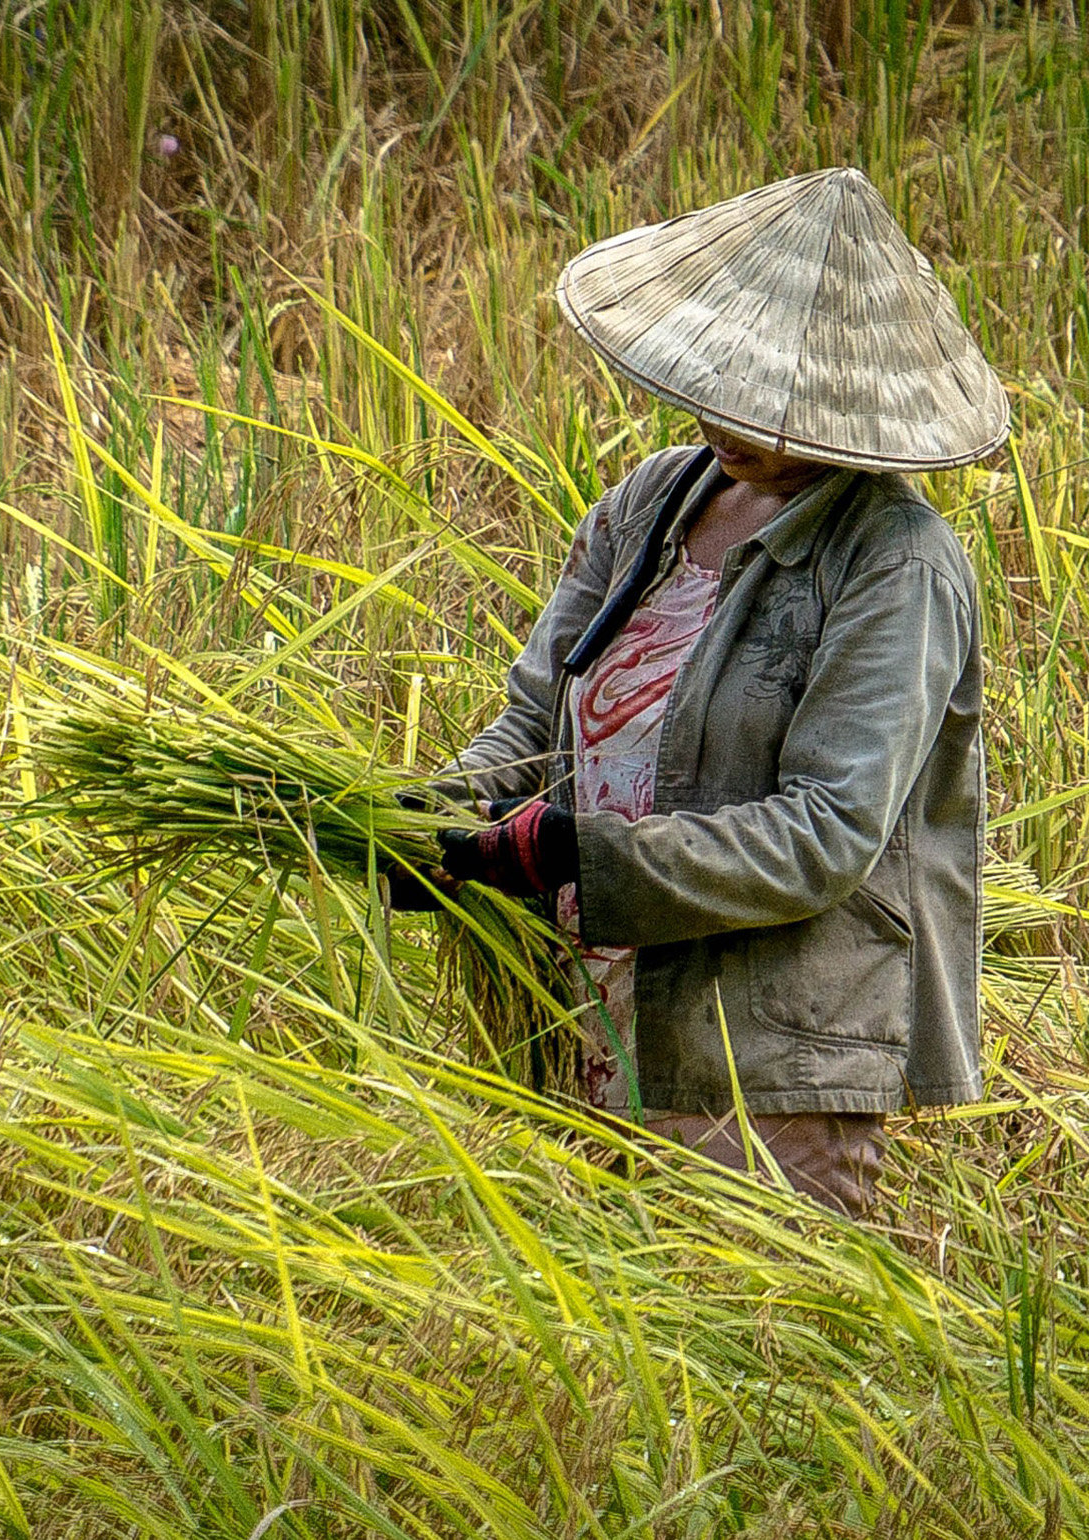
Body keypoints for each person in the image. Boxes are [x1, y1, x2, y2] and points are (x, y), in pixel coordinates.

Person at [428, 167, 1009, 1216]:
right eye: (723, 383)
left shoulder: (894, 565)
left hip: (761, 1058)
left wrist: (574, 853)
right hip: (585, 1013)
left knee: (743, 1364)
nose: (727, 418)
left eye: (769, 403)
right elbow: (534, 716)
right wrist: (437, 813)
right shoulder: (651, 502)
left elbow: (826, 833)